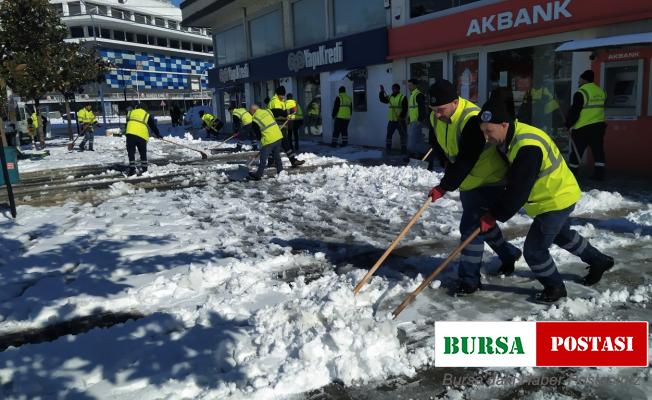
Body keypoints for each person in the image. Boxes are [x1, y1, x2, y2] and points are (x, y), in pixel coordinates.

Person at [477, 93, 614, 302]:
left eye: (489, 131)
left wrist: (493, 215)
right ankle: (599, 260)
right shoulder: (512, 136)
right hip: (553, 195)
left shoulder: (527, 146)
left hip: (555, 198)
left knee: (534, 250)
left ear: (504, 124)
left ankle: (555, 287)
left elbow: (519, 189)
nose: (487, 136)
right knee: (561, 234)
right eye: (483, 131)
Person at [427, 79, 521, 295]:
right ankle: (508, 253)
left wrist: (444, 186)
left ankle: (469, 279)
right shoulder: (437, 114)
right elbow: (436, 139)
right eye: (433, 110)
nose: (437, 115)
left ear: (454, 102)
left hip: (490, 178)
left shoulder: (471, 119)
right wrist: (443, 159)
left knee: (470, 228)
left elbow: (467, 159)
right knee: (482, 224)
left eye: (440, 110)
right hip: (469, 181)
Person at [566, 69, 607, 180]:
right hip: (598, 126)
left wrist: (568, 124)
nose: (578, 82)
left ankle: (572, 174)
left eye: (580, 79)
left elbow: (575, 111)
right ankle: (599, 174)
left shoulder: (581, 92)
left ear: (584, 79)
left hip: (582, 127)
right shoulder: (601, 91)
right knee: (598, 150)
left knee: (576, 151)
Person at [268, 86, 304, 167]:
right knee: (284, 142)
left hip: (281, 124)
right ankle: (293, 160)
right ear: (278, 94)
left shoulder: (280, 101)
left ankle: (271, 160)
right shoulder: (275, 101)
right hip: (276, 124)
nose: (283, 97)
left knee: (276, 143)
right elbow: (277, 112)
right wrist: (288, 112)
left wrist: (287, 115)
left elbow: (282, 112)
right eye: (282, 95)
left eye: (284, 95)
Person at [124, 103, 162, 176]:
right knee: (142, 153)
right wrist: (158, 135)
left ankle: (132, 170)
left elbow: (127, 122)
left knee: (131, 152)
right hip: (142, 135)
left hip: (130, 134)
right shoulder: (146, 114)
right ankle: (144, 170)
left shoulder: (130, 112)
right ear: (144, 108)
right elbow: (153, 125)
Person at [247, 104, 283, 181]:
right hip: (278, 136)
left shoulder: (255, 119)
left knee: (263, 158)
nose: (251, 114)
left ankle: (258, 174)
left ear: (253, 111)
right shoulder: (268, 111)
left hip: (268, 139)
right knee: (277, 157)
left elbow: (258, 134)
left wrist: (261, 143)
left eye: (250, 112)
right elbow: (278, 112)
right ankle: (280, 172)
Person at [379, 83, 407, 154]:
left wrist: (401, 117)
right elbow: (382, 100)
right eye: (392, 88)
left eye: (394, 88)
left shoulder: (403, 97)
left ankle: (403, 150)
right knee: (389, 135)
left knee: (403, 135)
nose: (393, 90)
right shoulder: (390, 97)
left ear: (398, 89)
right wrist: (381, 91)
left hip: (400, 120)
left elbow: (405, 109)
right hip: (391, 121)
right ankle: (388, 149)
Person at [407, 79, 428, 156]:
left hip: (416, 122)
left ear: (415, 85)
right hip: (413, 122)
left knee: (413, 142)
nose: (409, 87)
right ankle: (422, 155)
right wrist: (409, 118)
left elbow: (422, 108)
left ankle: (424, 153)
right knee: (418, 141)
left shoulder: (418, 95)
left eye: (410, 85)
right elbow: (412, 109)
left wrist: (420, 120)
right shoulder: (412, 95)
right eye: (408, 85)